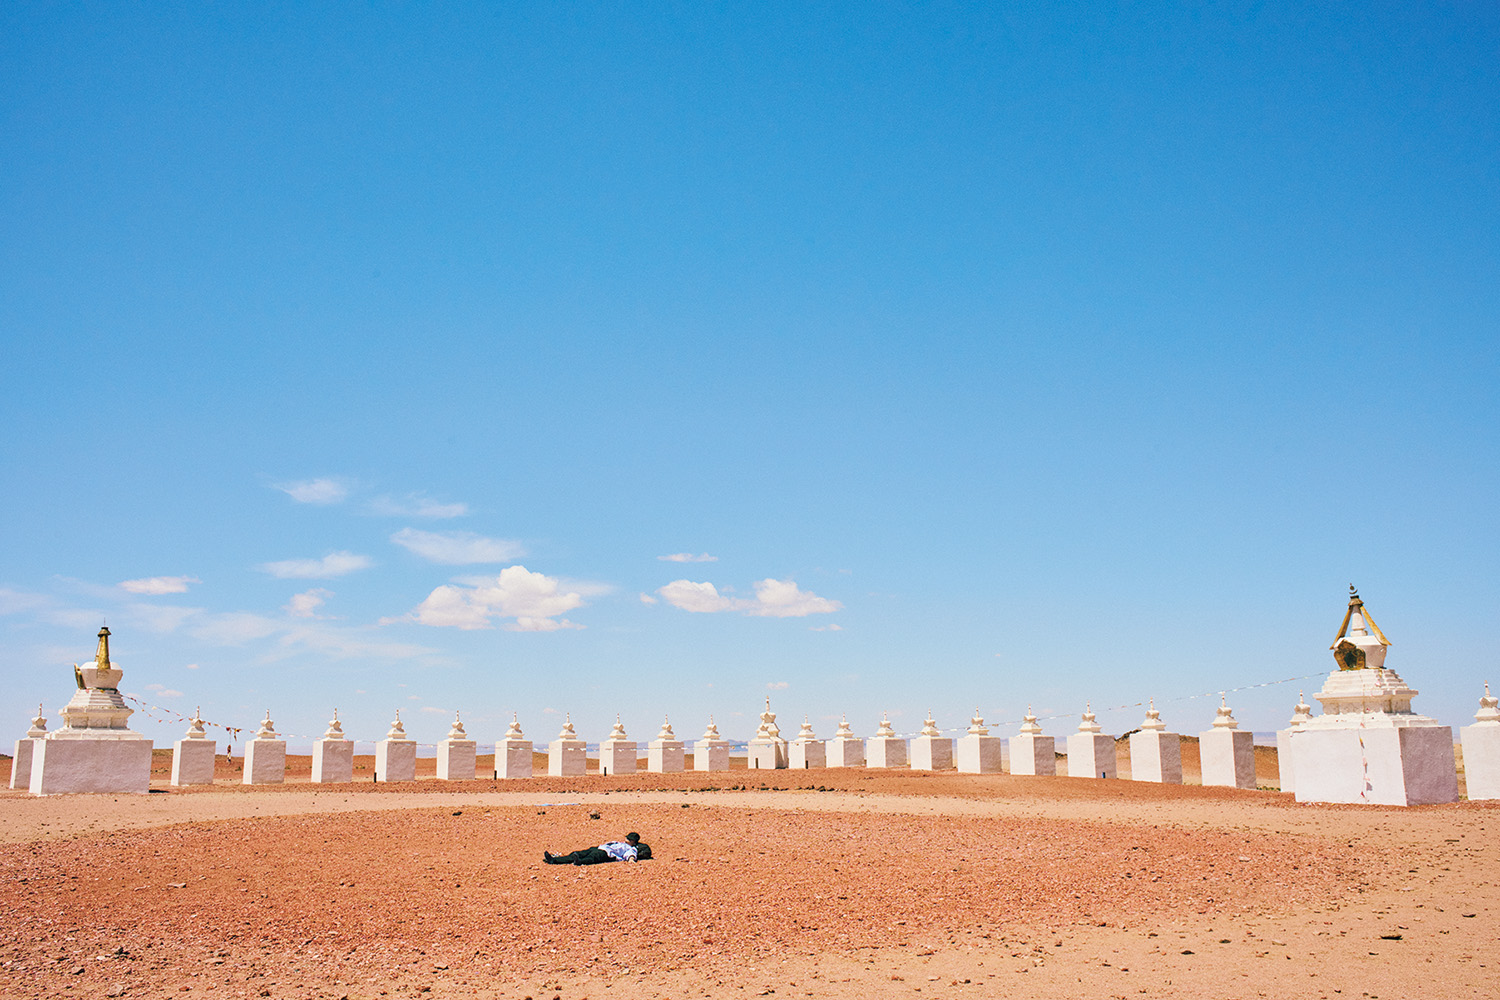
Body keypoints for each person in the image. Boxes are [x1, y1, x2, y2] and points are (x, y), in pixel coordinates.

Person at [544, 831, 652, 865]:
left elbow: (630, 855)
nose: (626, 839)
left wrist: (631, 860)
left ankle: (580, 862)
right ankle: (554, 860)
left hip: (608, 854)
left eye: (629, 839)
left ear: (633, 841)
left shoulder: (631, 848)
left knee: (592, 858)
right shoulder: (620, 843)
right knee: (577, 853)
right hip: (600, 848)